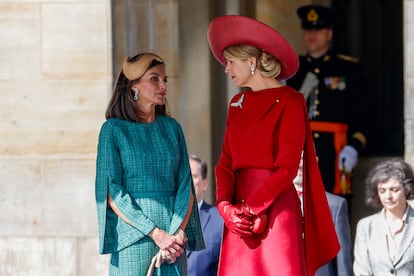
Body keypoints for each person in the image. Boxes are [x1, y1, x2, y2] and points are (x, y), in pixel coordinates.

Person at [207, 15, 339, 276]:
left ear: (252, 61)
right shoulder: (236, 105)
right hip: (238, 217)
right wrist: (224, 206)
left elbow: (287, 168)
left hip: (276, 209)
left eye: (231, 61)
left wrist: (249, 208)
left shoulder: (291, 101)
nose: (226, 68)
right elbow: (225, 163)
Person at [95, 52, 205, 275]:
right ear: (133, 86)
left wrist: (176, 234)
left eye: (165, 80)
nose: (163, 85)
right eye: (154, 79)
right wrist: (156, 234)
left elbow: (186, 185)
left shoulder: (172, 128)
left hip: (173, 239)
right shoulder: (113, 130)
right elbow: (112, 191)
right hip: (134, 238)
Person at [287, 5, 370, 196]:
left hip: (335, 154)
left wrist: (353, 147)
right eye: (308, 29)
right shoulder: (293, 70)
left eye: (318, 30)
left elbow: (365, 114)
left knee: (334, 213)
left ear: (329, 33)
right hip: (300, 153)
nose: (312, 35)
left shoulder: (349, 68)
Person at [293, 154, 353, 276]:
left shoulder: (335, 205)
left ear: (315, 160)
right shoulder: (273, 203)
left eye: (303, 159)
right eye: (294, 158)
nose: (299, 164)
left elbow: (342, 260)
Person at [353, 158, 414, 275]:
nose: (388, 196)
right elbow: (362, 271)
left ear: (407, 189)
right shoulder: (366, 226)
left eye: (394, 190)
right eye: (382, 191)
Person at [187, 154, 223, 276]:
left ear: (204, 184)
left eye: (193, 176)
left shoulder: (220, 221)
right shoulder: (164, 220)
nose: (187, 182)